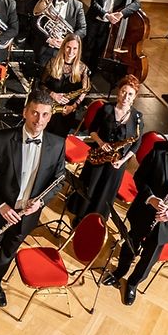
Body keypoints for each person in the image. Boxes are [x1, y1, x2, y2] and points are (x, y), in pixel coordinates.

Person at [0, 89, 66, 308]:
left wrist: (40, 202)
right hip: (1, 210)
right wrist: (1, 205)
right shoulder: (2, 139)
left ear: (50, 116)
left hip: (28, 214)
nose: (39, 120)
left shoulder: (58, 144)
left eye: (44, 115)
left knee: (9, 251)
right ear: (25, 112)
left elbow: (59, 180)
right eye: (34, 113)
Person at [102, 116, 168, 305]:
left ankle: (133, 283)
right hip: (144, 210)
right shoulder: (160, 149)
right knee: (129, 243)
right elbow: (140, 178)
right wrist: (150, 198)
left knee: (150, 256)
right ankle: (119, 271)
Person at [69, 75, 143, 224]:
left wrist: (122, 161)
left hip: (117, 163)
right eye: (123, 92)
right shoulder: (106, 108)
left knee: (104, 192)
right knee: (89, 187)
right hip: (98, 156)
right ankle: (80, 217)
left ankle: (95, 222)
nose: (126, 97)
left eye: (130, 94)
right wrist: (101, 143)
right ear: (119, 91)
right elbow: (92, 130)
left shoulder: (137, 118)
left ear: (134, 97)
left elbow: (136, 144)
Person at [83, 0, 142, 69]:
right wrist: (107, 15)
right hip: (94, 19)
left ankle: (91, 73)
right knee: (87, 48)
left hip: (108, 25)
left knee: (99, 50)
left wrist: (121, 14)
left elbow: (137, 3)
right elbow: (94, 3)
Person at [37, 34, 91, 136]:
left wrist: (74, 106)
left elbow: (84, 90)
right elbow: (41, 85)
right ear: (63, 47)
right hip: (49, 107)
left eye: (75, 48)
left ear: (79, 50)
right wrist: (53, 94)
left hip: (67, 111)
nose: (71, 52)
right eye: (68, 47)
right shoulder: (52, 63)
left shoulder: (83, 68)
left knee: (59, 140)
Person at [35, 0, 87, 64]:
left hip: (66, 51)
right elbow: (35, 22)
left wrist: (67, 40)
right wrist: (48, 39)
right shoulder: (47, 0)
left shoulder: (78, 5)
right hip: (46, 47)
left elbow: (82, 29)